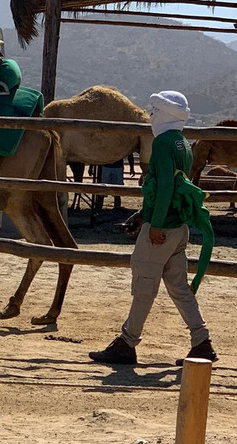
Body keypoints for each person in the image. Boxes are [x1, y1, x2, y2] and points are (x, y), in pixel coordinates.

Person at [89, 90, 217, 366]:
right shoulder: (182, 143)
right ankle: (201, 340)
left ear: (166, 114)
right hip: (179, 227)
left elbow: (165, 187)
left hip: (163, 228)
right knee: (179, 288)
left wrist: (155, 224)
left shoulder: (161, 144)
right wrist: (145, 214)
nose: (151, 116)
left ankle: (127, 342)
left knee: (144, 286)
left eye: (155, 111)